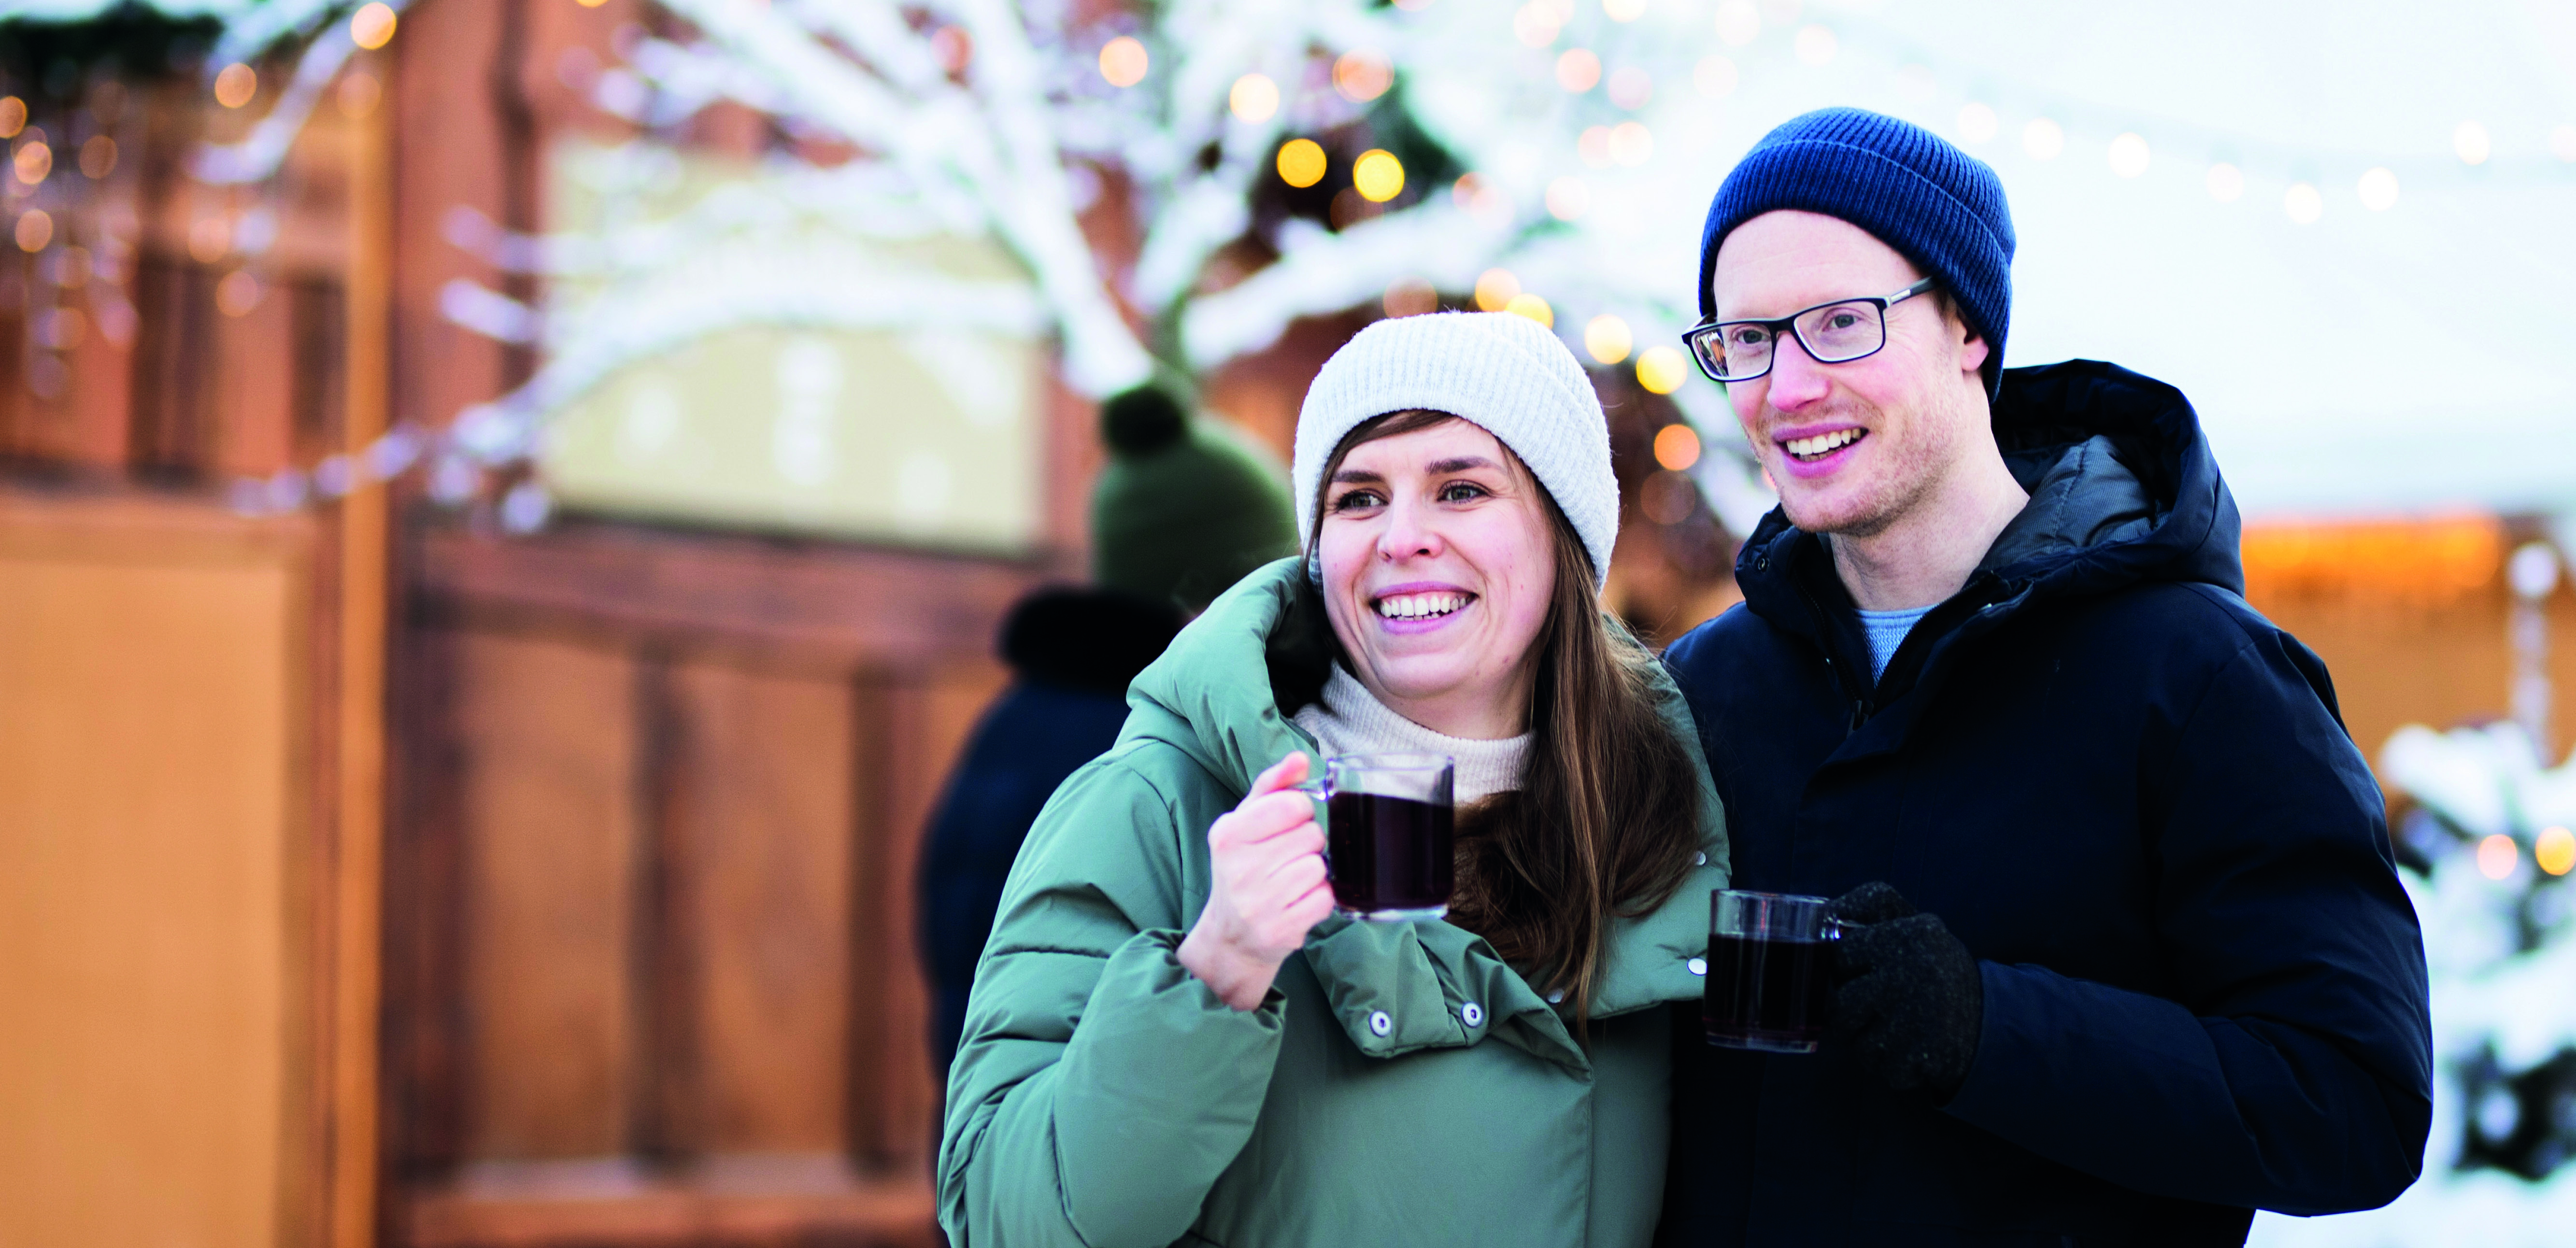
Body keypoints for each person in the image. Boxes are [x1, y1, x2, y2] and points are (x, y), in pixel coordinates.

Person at [1655, 107, 2432, 1246]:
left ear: (1965, 327)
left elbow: (2350, 1103)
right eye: (1747, 339)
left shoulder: (2197, 675)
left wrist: (1985, 1029)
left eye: (1839, 324)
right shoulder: (1701, 689)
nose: (1787, 384)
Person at [939, 312, 1730, 1247]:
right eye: (1356, 499)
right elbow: (1004, 1220)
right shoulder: (1161, 804)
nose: (1401, 537)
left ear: (1564, 536)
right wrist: (1213, 972)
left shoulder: (1662, 812)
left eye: (1460, 489)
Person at [917, 384, 1296, 1081]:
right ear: (1201, 599)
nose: (1280, 620)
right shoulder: (1134, 753)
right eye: (1261, 589)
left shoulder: (1025, 719)